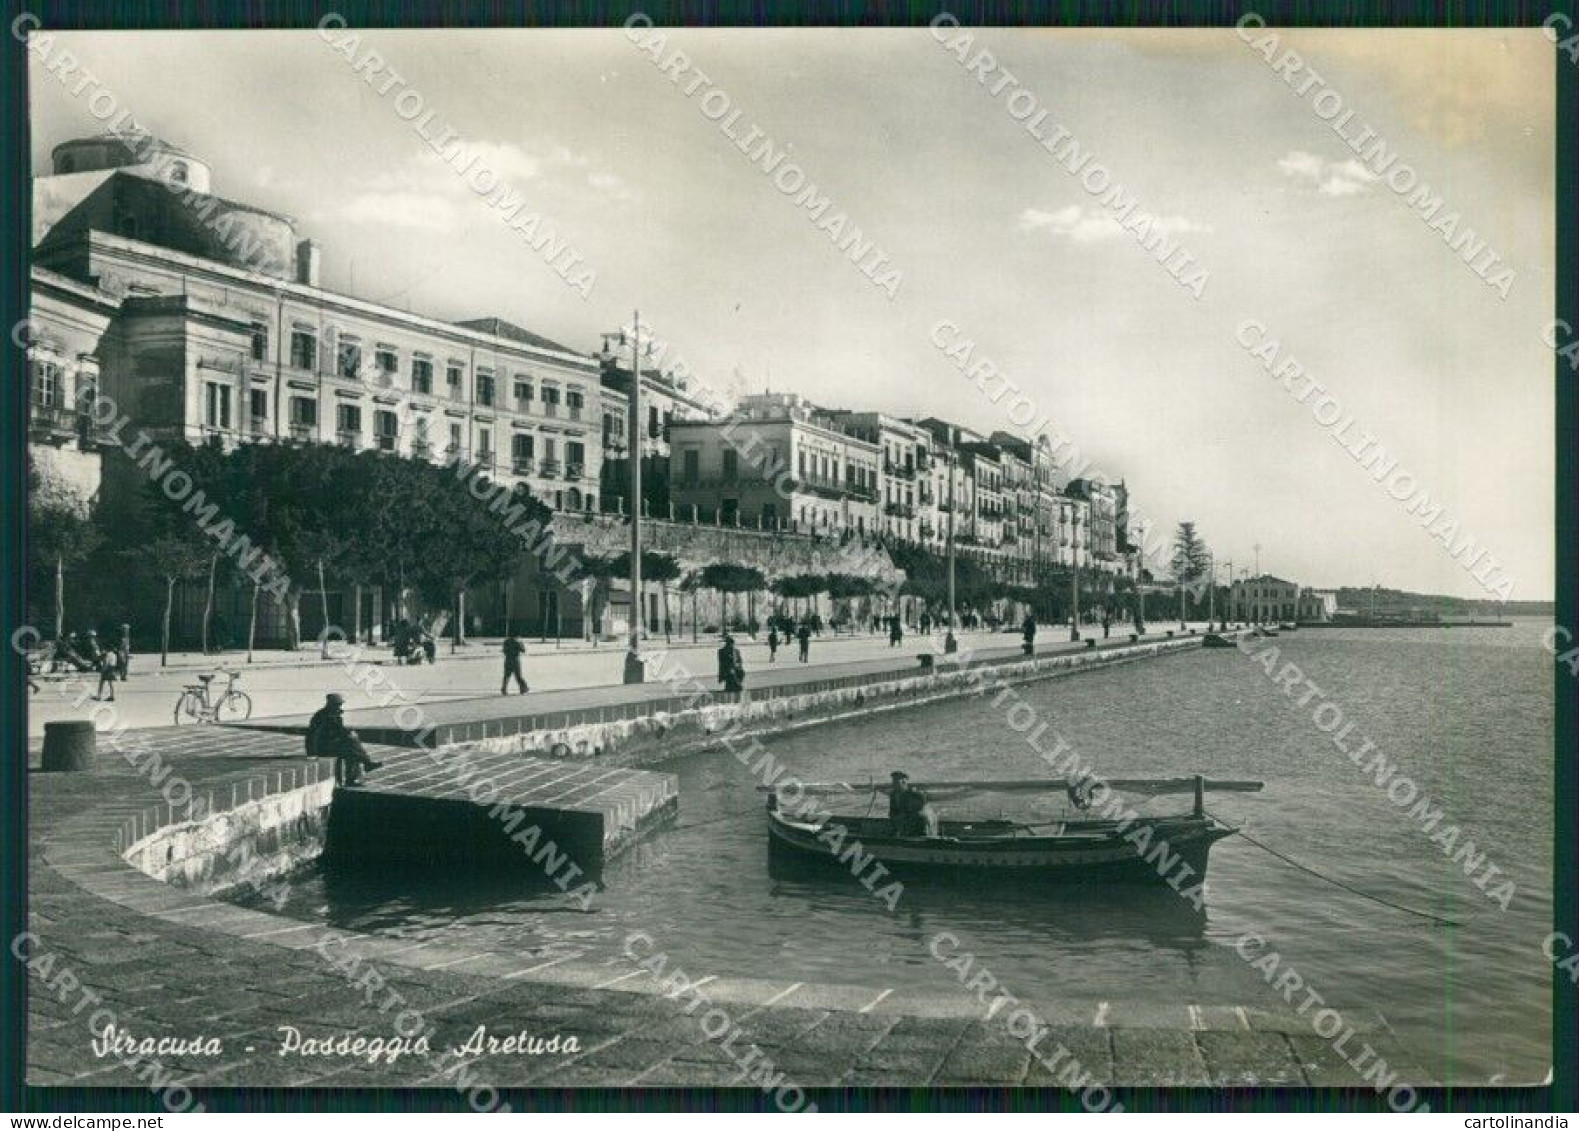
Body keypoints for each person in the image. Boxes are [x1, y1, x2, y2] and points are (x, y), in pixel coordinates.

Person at [305, 693, 383, 785]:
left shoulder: (333, 715)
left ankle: (359, 772)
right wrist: (312, 753)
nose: (339, 706)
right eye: (338, 704)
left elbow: (340, 730)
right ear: (331, 704)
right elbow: (312, 734)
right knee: (352, 745)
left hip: (331, 744)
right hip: (323, 748)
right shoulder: (322, 716)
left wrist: (349, 733)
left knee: (352, 749)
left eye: (340, 704)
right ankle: (365, 765)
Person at [888, 771, 938, 837]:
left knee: (919, 818)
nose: (894, 783)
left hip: (919, 823)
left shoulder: (914, 794)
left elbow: (923, 810)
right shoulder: (893, 795)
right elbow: (893, 811)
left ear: (904, 782)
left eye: (897, 781)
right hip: (903, 823)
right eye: (894, 781)